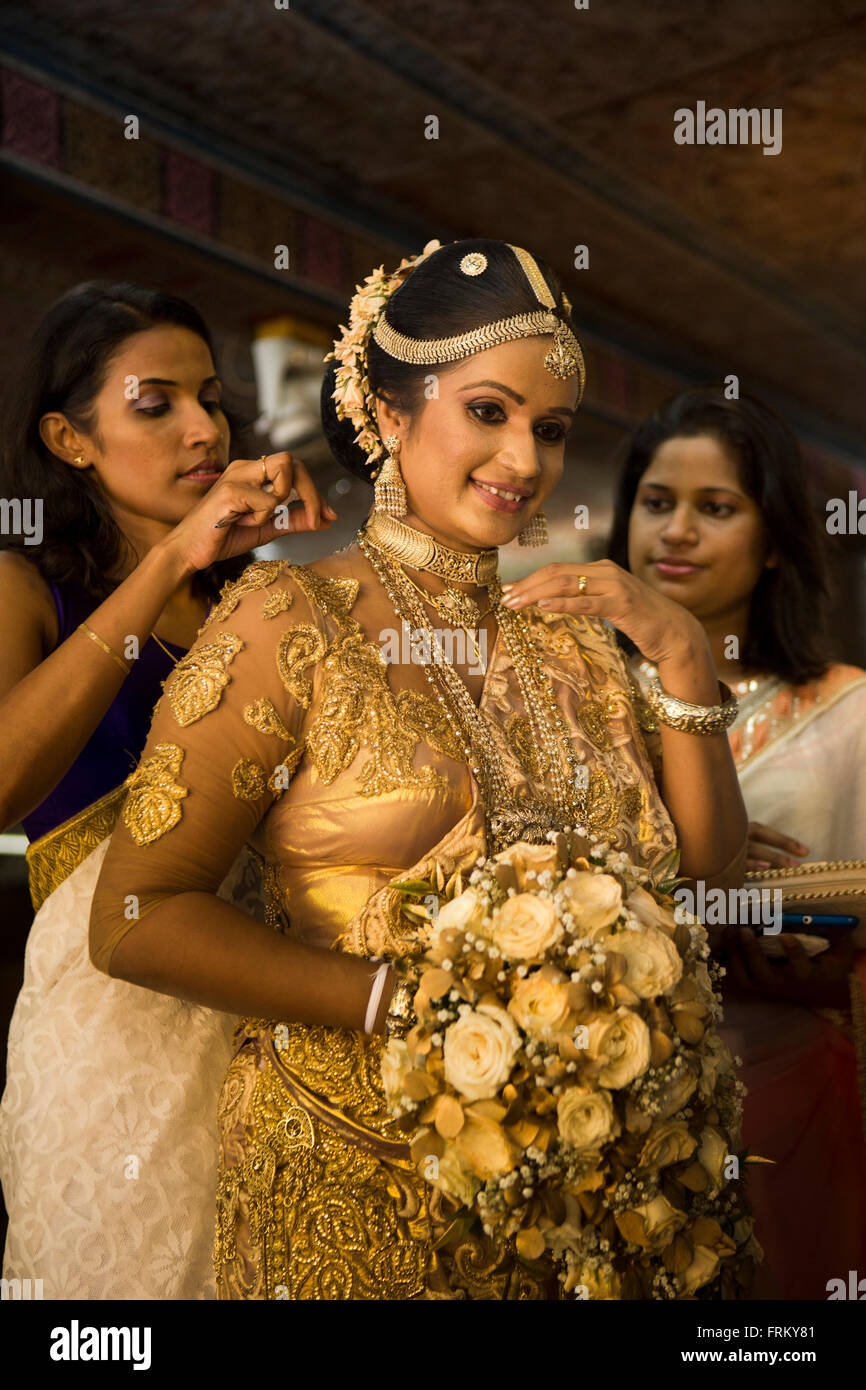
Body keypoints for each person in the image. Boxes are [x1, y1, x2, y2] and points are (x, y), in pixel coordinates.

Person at [89, 239, 750, 1300]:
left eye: (549, 429)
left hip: (588, 1201)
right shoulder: (288, 617)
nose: (525, 461)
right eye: (487, 413)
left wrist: (677, 654)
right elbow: (134, 913)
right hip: (356, 1183)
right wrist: (406, 999)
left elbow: (704, 880)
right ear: (389, 415)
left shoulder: (577, 638)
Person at [0, 281, 334, 1298]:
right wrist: (168, 563)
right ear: (69, 438)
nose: (201, 427)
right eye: (156, 404)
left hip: (275, 1001)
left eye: (211, 400)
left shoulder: (262, 601)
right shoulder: (25, 582)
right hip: (110, 1012)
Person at [609, 385, 866, 1298]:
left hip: (787, 1087)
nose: (675, 532)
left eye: (715, 509)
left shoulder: (848, 706)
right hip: (601, 1088)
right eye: (656, 502)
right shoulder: (572, 693)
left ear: (772, 544)